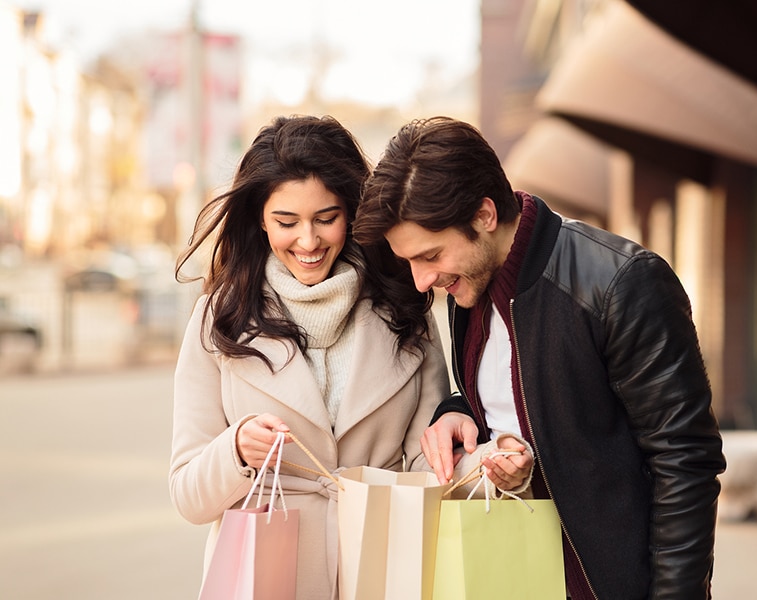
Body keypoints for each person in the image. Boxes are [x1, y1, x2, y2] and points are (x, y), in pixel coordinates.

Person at [353, 116, 727, 599]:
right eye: (409, 262)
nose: (422, 280)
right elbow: (521, 397)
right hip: (511, 575)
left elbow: (686, 461)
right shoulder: (473, 288)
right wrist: (456, 409)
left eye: (430, 256)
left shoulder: (622, 283)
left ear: (485, 215)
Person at [168, 115, 450, 600]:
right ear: (260, 218)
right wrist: (236, 450)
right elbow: (188, 496)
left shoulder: (405, 312)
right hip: (271, 577)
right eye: (286, 222)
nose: (308, 241)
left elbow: (432, 464)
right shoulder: (220, 319)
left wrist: (487, 460)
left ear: (353, 212)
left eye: (326, 218)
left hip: (383, 571)